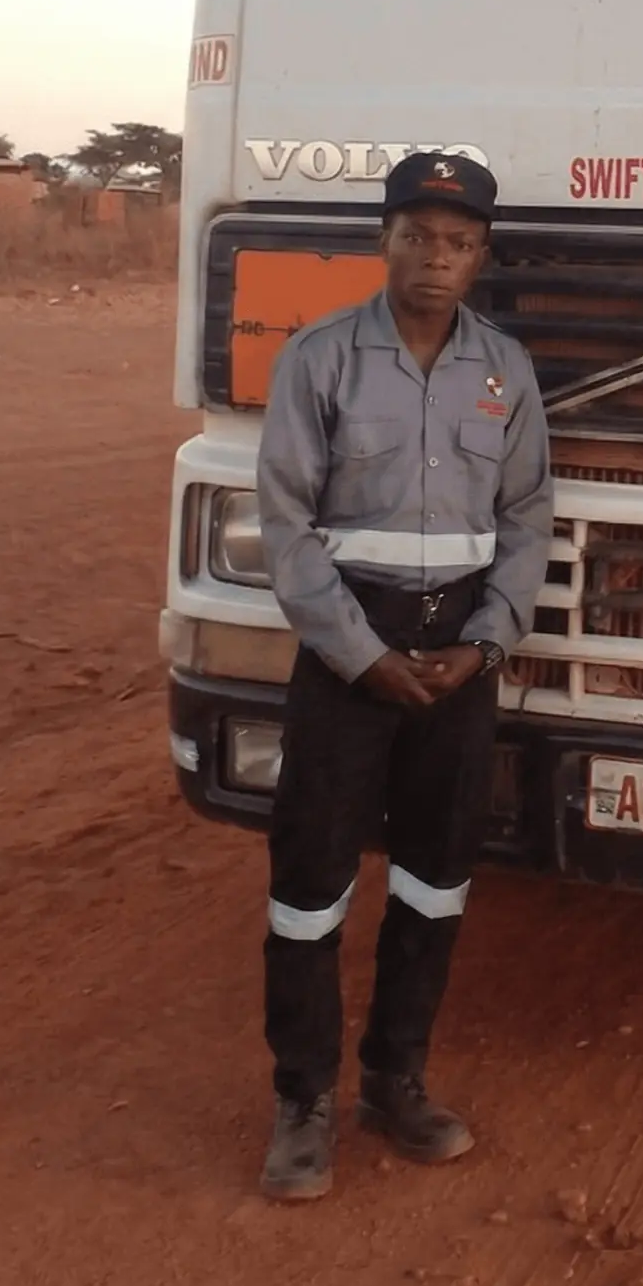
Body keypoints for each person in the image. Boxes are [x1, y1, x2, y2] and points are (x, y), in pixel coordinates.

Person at [253, 151, 552, 1201]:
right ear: (384, 240)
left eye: (459, 241)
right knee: (311, 885)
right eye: (418, 235)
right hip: (352, 651)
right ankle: (303, 1102)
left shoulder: (505, 373)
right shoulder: (320, 359)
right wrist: (363, 656)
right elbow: (286, 529)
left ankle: (397, 1080)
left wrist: (488, 642)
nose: (438, 257)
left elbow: (525, 521)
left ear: (483, 256)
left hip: (460, 651)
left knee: (433, 879)